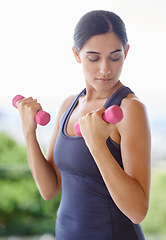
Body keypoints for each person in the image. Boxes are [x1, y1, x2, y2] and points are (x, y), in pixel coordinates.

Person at [17, 10, 151, 240]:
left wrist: (98, 146)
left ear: (126, 52)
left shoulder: (129, 109)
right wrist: (29, 133)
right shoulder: (69, 105)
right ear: (77, 54)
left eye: (115, 57)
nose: (105, 69)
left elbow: (138, 212)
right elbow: (50, 190)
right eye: (94, 57)